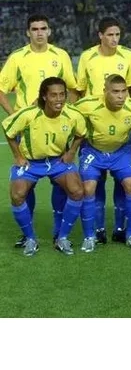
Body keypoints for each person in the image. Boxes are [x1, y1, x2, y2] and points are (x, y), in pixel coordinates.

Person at [0, 14, 78, 247]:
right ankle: (28, 234)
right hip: (28, 128)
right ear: (28, 32)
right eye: (34, 29)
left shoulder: (60, 55)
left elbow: (73, 88)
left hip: (56, 125)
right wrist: (14, 115)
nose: (39, 32)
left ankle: (58, 232)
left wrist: (67, 114)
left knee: (60, 180)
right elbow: (1, 88)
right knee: (27, 181)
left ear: (49, 31)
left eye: (43, 28)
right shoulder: (18, 57)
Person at [2, 77, 86, 256]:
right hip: (31, 163)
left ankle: (62, 238)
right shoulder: (29, 114)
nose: (59, 99)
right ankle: (30, 239)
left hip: (57, 162)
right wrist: (18, 156)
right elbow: (9, 131)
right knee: (17, 195)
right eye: (54, 95)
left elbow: (81, 134)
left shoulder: (73, 115)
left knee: (77, 191)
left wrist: (71, 152)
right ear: (44, 96)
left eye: (62, 94)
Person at [75, 75, 131, 252]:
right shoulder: (88, 104)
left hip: (121, 152)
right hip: (94, 152)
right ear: (105, 92)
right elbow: (67, 115)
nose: (121, 96)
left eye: (124, 91)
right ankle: (90, 236)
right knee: (88, 188)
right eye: (115, 92)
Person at [76, 17, 131, 244]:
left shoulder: (128, 55)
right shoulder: (87, 57)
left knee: (125, 182)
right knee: (95, 181)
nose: (114, 39)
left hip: (120, 125)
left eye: (117, 34)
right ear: (100, 35)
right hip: (95, 123)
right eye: (110, 34)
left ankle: (121, 229)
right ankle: (98, 230)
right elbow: (80, 90)